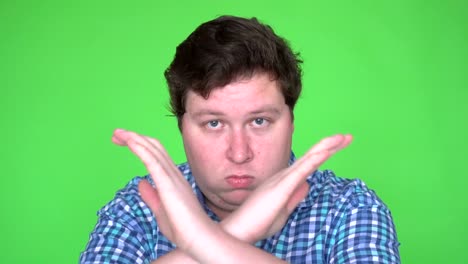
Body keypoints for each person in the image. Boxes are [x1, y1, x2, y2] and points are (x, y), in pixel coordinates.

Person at [80, 15, 400, 263]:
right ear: (182, 127)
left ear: (291, 121)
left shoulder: (348, 206)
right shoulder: (136, 207)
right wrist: (237, 233)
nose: (239, 152)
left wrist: (202, 242)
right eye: (214, 123)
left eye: (259, 121)